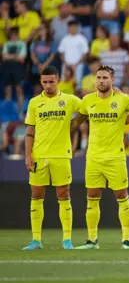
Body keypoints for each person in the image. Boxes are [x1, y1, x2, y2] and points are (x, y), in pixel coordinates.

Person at [71, 66, 129, 250]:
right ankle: (92, 240)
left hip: (115, 158)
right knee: (92, 197)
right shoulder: (88, 100)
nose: (101, 81)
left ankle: (126, 240)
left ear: (112, 79)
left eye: (105, 77)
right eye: (98, 77)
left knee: (122, 196)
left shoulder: (124, 99)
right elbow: (75, 123)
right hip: (94, 158)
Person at [23, 66, 82, 250]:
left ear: (58, 81)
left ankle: (66, 240)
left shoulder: (70, 100)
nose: (48, 85)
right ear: (41, 82)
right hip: (39, 155)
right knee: (36, 195)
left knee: (64, 194)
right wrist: (27, 154)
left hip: (61, 155)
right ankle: (36, 240)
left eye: (51, 81)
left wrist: (75, 124)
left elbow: (89, 108)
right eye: (45, 82)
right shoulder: (34, 103)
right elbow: (30, 130)